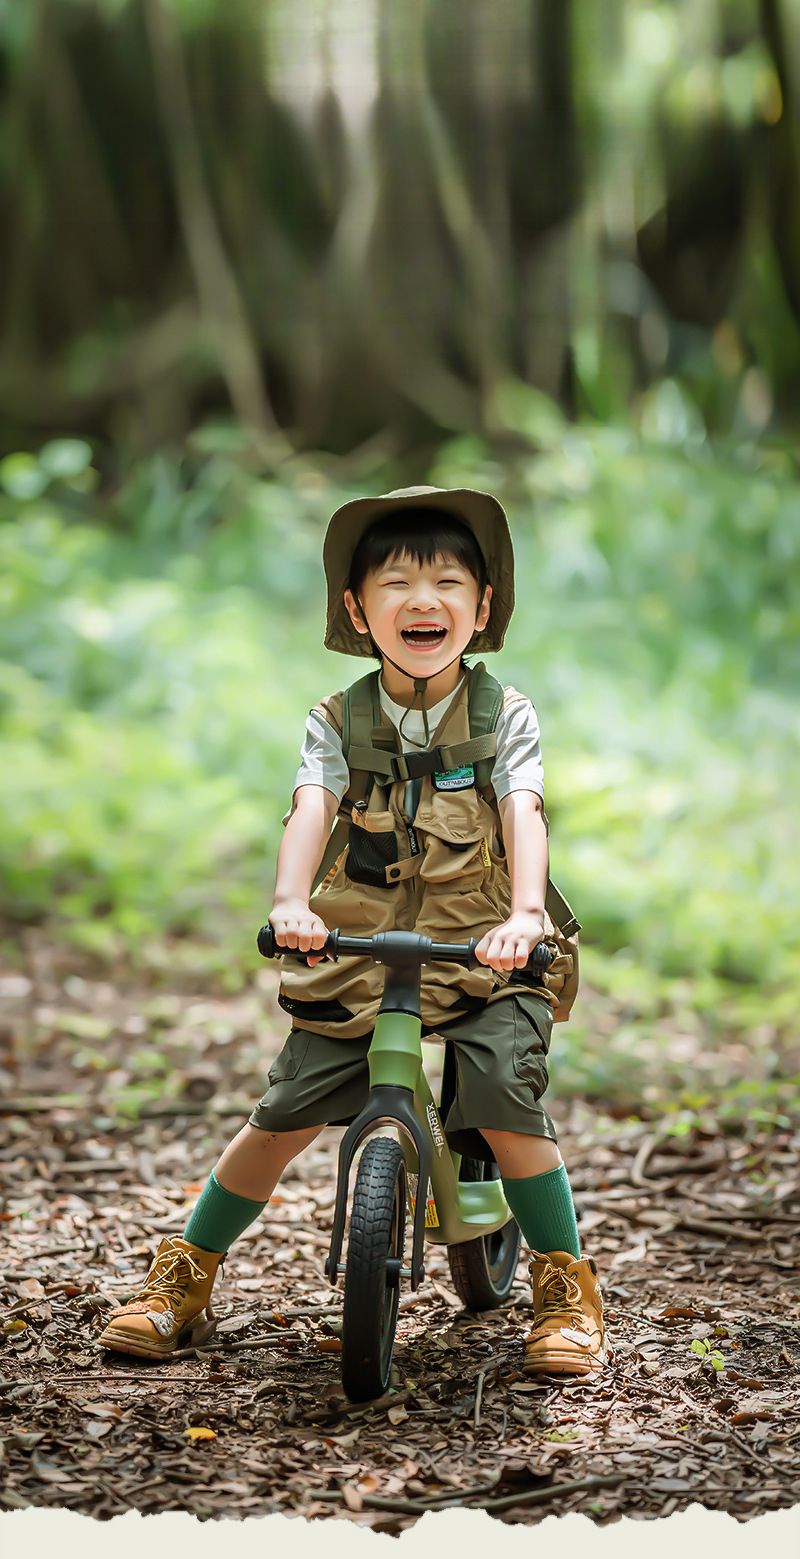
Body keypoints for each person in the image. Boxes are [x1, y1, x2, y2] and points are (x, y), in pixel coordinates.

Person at [98, 485, 611, 1378]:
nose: (424, 601)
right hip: (361, 952)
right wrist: (292, 900)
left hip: (485, 946)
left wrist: (527, 914)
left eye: (450, 582)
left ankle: (563, 1283)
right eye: (398, 583)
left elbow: (524, 810)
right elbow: (311, 806)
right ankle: (183, 1273)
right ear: (356, 607)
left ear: (482, 607)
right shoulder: (338, 719)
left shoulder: (502, 717)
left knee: (504, 1099)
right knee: (282, 1112)